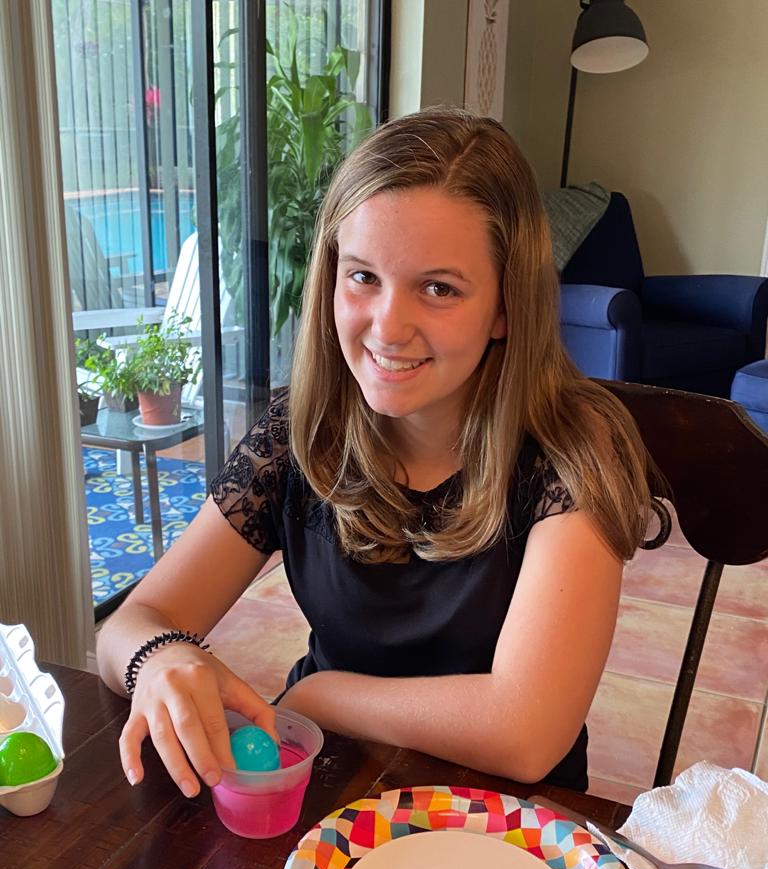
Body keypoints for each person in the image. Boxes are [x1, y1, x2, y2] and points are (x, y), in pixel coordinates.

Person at [97, 106, 651, 799]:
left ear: (506, 308)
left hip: (502, 819)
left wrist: (321, 697)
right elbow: (127, 627)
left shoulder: (574, 451)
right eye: (363, 276)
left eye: (439, 288)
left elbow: (526, 732)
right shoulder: (299, 433)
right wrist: (159, 657)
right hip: (341, 785)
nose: (387, 327)